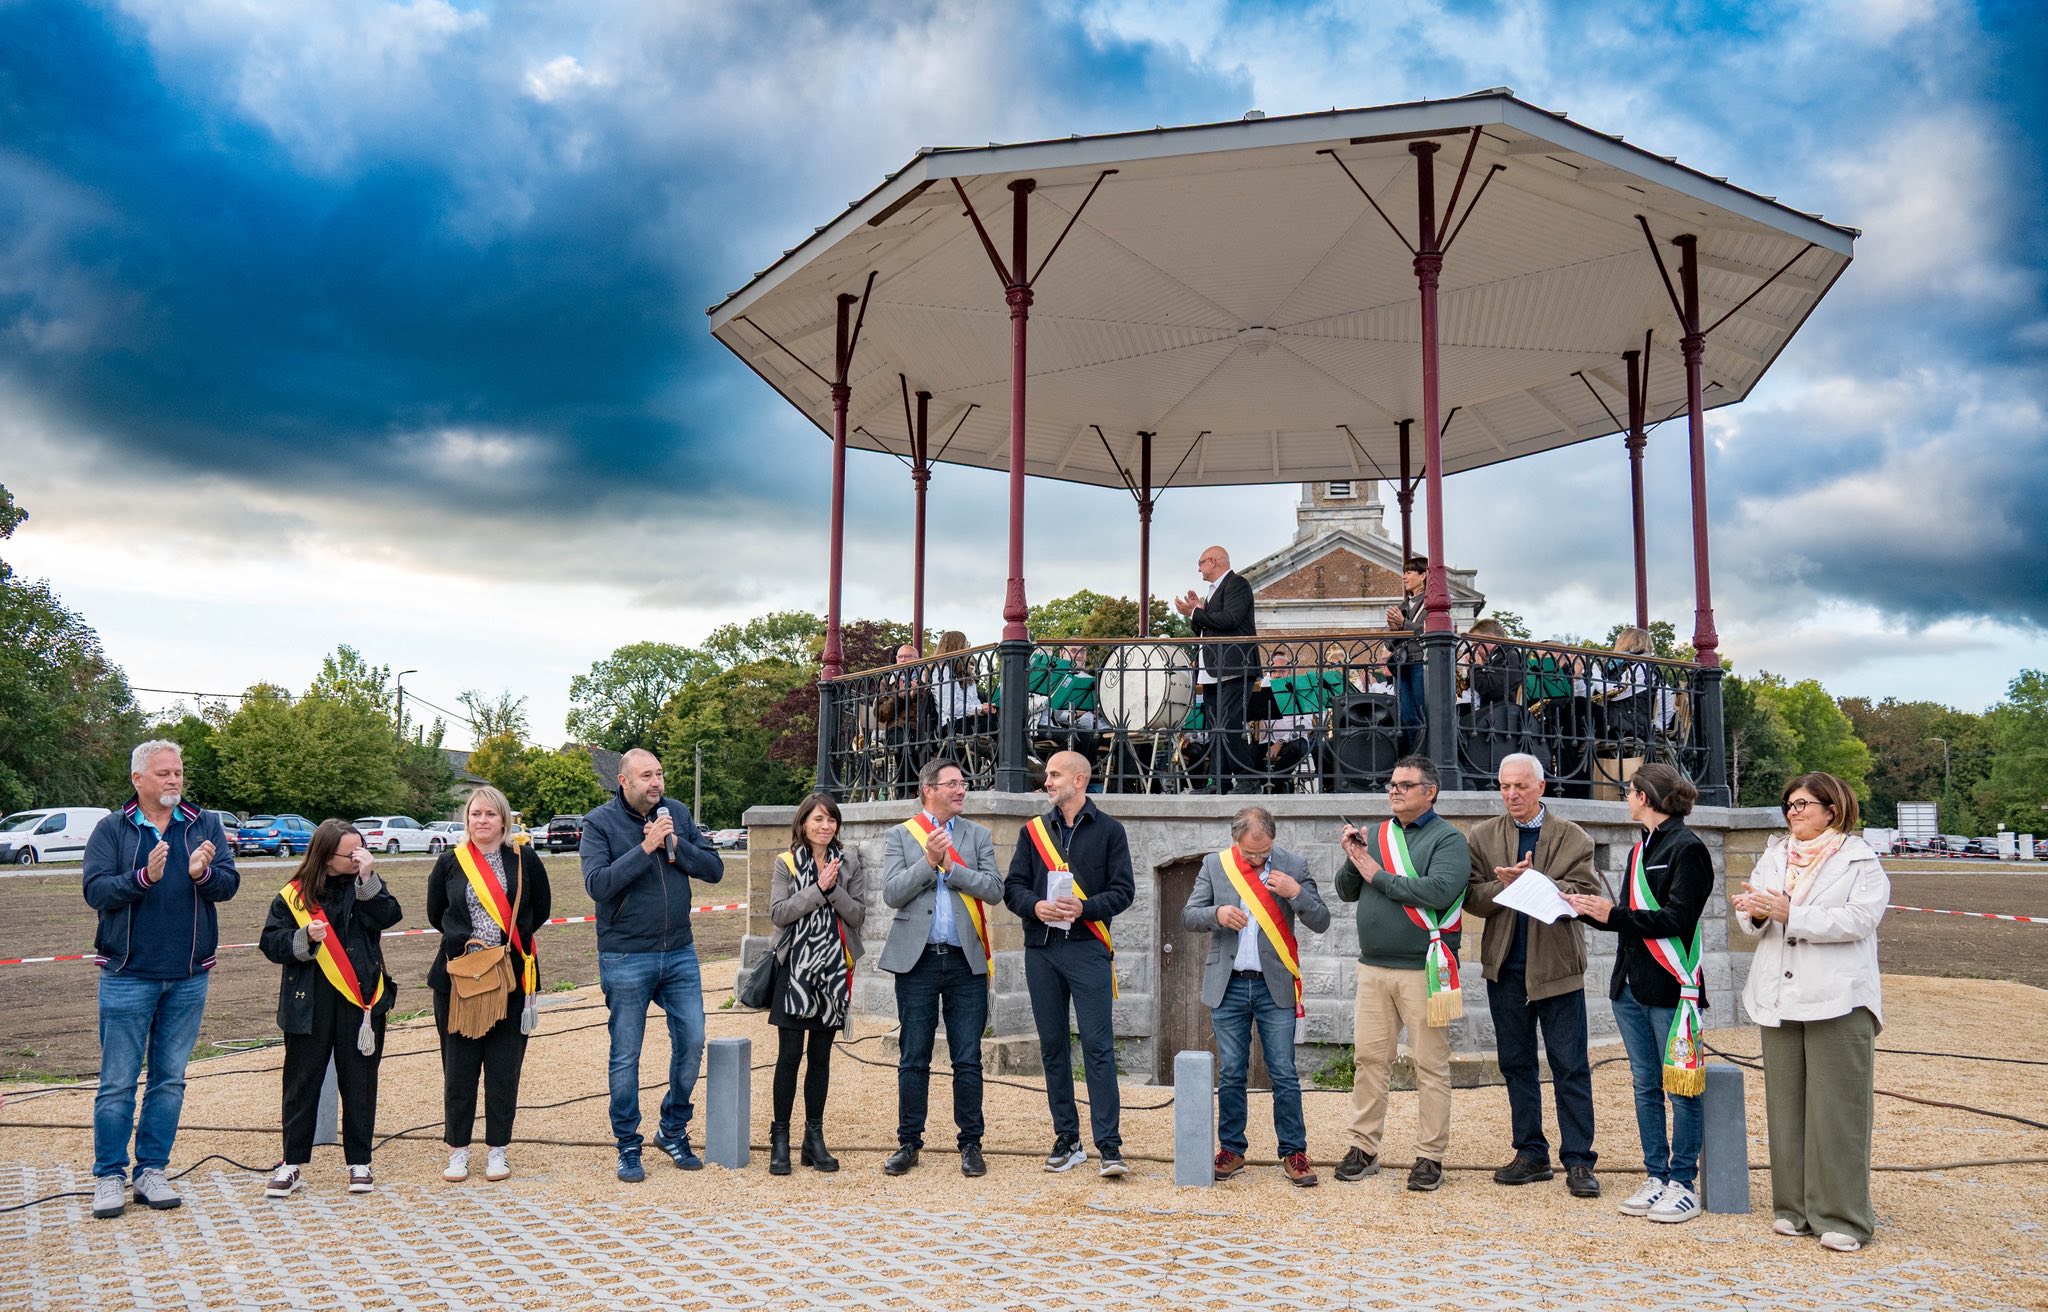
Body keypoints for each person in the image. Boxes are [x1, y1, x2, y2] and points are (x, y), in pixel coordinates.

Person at [81, 740, 241, 1219]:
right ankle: (109, 1176)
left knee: (169, 1080)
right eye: (164, 773)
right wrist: (143, 879)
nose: (174, 780)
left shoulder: (205, 824)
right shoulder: (112, 829)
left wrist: (201, 874)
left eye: (178, 772)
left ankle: (152, 1171)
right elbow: (95, 891)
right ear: (138, 780)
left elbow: (228, 885)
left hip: (188, 974)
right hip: (128, 974)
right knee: (117, 1083)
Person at [1732, 772, 1888, 1252]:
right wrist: (1755, 910)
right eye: (1789, 804)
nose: (1793, 811)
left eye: (1802, 804)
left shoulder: (1860, 860)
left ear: (1832, 809)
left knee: (1837, 1110)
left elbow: (1860, 920)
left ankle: (1842, 1215)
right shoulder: (1775, 854)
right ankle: (1793, 1209)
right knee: (1786, 1106)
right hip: (1779, 994)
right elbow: (1752, 915)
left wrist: (1789, 913)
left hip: (1838, 998)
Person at [1566, 762, 1713, 1224]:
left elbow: (1676, 920)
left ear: (1645, 797)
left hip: (1670, 985)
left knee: (1679, 1087)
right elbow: (1625, 917)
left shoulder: (1688, 848)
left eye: (1629, 792)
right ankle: (1656, 1174)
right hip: (1629, 983)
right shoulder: (1639, 850)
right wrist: (1578, 908)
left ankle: (1682, 1180)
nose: (1625, 799)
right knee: (1645, 1085)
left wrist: (1612, 915)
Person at [581, 747, 726, 1183]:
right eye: (646, 775)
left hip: (679, 951)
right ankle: (628, 1144)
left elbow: (715, 870)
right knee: (626, 1055)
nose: (656, 782)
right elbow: (598, 885)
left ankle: (672, 1129)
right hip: (626, 953)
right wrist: (646, 847)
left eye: (659, 774)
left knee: (693, 1040)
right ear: (624, 781)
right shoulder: (598, 824)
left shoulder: (676, 814)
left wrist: (675, 844)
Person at [1464, 753, 1602, 1197]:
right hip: (1505, 969)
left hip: (1557, 969)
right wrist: (1503, 886)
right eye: (1504, 786)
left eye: (1520, 786)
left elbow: (1587, 895)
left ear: (1541, 787)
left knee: (1570, 1065)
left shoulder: (1572, 836)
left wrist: (1539, 884)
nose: (1511, 794)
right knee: (1516, 1064)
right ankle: (1531, 1153)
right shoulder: (1483, 836)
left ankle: (1579, 1161)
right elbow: (1470, 898)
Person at [1334, 754, 1469, 1191]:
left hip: (1422, 969)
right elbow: (1346, 890)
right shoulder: (1376, 834)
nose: (1394, 791)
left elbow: (1439, 890)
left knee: (1430, 1064)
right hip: (1373, 968)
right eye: (1391, 784)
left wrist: (1378, 874)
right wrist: (1353, 855)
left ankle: (1430, 1156)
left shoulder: (1449, 840)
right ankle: (1364, 1146)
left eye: (1405, 785)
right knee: (1370, 1061)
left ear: (1429, 792)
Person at [1183, 806, 1331, 1186]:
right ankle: (1232, 1149)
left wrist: (1295, 893)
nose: (1257, 860)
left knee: (1284, 1072)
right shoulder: (1216, 865)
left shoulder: (1293, 865)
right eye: (1250, 854)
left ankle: (1294, 1152)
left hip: (1274, 984)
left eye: (1263, 853)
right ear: (1236, 841)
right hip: (1228, 983)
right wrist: (1217, 914)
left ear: (1273, 839)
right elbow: (1189, 915)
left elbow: (1321, 919)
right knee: (1232, 1072)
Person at [1005, 749, 1134, 1177]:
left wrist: (1085, 908)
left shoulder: (1110, 831)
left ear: (1079, 780)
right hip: (1041, 949)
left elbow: (1123, 892)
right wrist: (1035, 905)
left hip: (1088, 947)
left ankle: (1109, 1146)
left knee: (1098, 1047)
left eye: (1056, 775)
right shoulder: (1032, 832)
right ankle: (1067, 1139)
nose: (1048, 781)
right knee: (1053, 1046)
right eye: (1048, 775)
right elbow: (1013, 888)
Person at [258, 819, 402, 1198]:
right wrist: (302, 938)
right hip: (309, 1003)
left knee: (360, 1081)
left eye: (361, 850)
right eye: (350, 853)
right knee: (301, 1082)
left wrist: (368, 879)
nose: (358, 858)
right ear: (325, 855)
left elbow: (389, 916)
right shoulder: (294, 895)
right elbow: (270, 944)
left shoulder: (365, 885)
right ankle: (291, 1164)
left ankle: (360, 1162)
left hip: (360, 1001)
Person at [878, 758, 1005, 1177]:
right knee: (914, 1056)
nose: (961, 790)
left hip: (966, 962)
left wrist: (951, 867)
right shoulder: (901, 835)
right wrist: (928, 862)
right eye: (952, 783)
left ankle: (970, 1143)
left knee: (967, 1058)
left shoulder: (978, 835)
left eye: (963, 784)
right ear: (928, 790)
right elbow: (893, 894)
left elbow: (993, 890)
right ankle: (908, 1143)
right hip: (917, 963)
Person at [426, 786, 551, 1184]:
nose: (483, 821)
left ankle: (498, 1149)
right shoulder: (450, 862)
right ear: (467, 819)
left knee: (503, 1068)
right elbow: (435, 913)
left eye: (490, 814)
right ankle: (458, 1151)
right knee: (459, 1069)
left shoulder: (523, 859)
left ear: (504, 819)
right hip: (460, 978)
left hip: (512, 976)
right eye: (475, 814)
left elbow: (541, 908)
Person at [766, 792, 866, 1175]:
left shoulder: (850, 862)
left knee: (820, 1059)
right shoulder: (786, 862)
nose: (826, 826)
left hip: (833, 972)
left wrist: (834, 887)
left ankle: (814, 1138)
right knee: (789, 1057)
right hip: (795, 973)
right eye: (818, 819)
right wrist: (817, 890)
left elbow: (857, 915)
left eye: (831, 820)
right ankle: (780, 1139)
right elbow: (778, 914)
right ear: (803, 823)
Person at [1176, 544, 1261, 791]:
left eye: (1201, 562)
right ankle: (1219, 782)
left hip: (1234, 667)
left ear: (1214, 561)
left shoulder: (1237, 584)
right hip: (1214, 670)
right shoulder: (1214, 591)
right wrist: (1198, 613)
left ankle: (1248, 779)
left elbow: (1230, 620)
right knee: (1216, 729)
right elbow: (1207, 629)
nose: (1199, 568)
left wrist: (1195, 612)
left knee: (1229, 725)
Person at [1383, 555, 1429, 746]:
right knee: (1407, 715)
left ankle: (1426, 753)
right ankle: (1413, 755)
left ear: (1423, 575)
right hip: (1402, 666)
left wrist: (1403, 623)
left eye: (1409, 572)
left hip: (1419, 663)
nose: (1404, 577)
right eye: (1404, 572)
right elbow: (1389, 645)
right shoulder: (1403, 606)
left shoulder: (1431, 604)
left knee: (1423, 713)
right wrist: (1394, 629)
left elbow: (1426, 632)